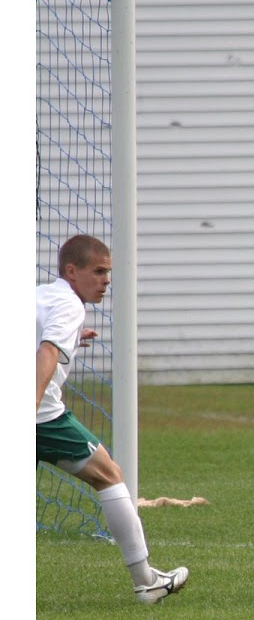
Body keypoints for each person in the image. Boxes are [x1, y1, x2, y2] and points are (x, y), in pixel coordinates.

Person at [36, 234, 189, 604]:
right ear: (72, 271)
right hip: (42, 416)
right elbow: (45, 351)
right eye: (99, 271)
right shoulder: (71, 305)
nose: (106, 280)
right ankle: (146, 581)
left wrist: (72, 338)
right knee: (109, 475)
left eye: (109, 272)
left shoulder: (41, 295)